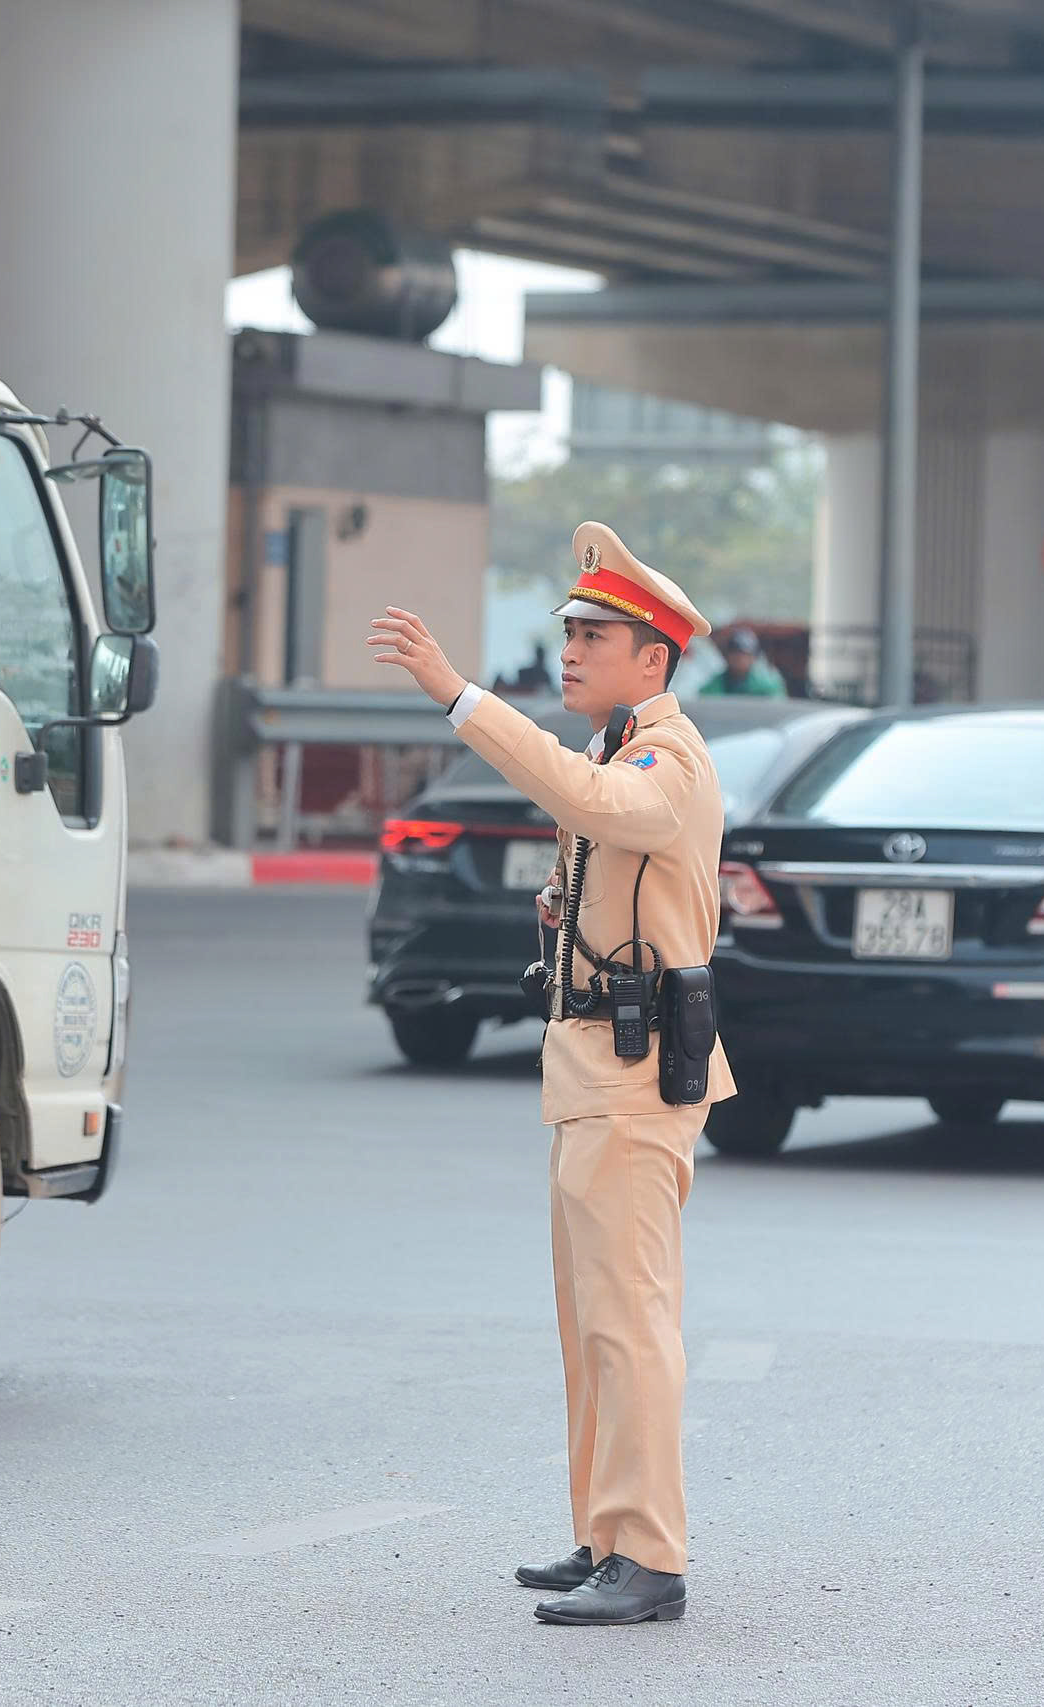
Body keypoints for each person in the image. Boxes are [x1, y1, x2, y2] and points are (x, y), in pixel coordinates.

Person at [367, 521, 733, 1628]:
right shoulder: (626, 748)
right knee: (591, 1323)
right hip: (592, 1067)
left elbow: (579, 799)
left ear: (652, 657)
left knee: (629, 1322)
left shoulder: (663, 762)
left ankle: (652, 1557)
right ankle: (607, 1533)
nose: (570, 649)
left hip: (634, 1076)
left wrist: (458, 694)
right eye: (567, 630)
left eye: (594, 634)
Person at [698, 625, 786, 697]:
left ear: (754, 657)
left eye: (745, 654)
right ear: (726, 656)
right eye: (735, 653)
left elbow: (777, 708)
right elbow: (705, 699)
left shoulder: (768, 684)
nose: (739, 658)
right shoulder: (716, 683)